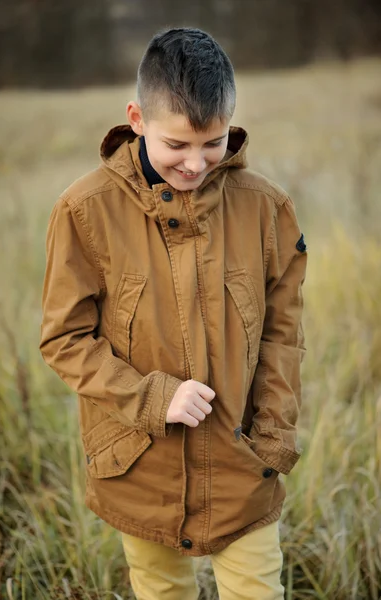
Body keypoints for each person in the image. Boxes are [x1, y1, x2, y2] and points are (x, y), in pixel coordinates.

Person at [40, 27, 307, 600]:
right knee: (161, 591)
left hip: (244, 463)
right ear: (136, 118)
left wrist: (274, 434)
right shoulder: (84, 210)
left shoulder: (266, 209)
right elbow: (64, 339)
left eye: (213, 142)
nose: (195, 163)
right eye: (176, 145)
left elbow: (284, 335)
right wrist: (155, 398)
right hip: (140, 467)